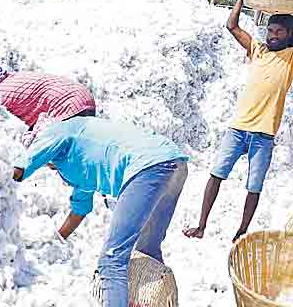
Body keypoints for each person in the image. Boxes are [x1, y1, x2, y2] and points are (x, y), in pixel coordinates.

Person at [183, 0, 293, 241]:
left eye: (279, 32)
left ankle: (242, 231)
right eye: (270, 30)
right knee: (216, 175)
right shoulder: (257, 50)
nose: (272, 35)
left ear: (290, 35)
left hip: (264, 136)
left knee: (254, 187)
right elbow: (231, 25)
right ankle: (201, 225)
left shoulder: (292, 57)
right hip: (238, 129)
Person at [11, 117, 188, 307]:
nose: (48, 165)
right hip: (172, 161)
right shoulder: (78, 155)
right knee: (147, 252)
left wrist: (0, 178)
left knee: (112, 260)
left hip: (147, 166)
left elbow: (21, 166)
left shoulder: (54, 131)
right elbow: (80, 208)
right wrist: (59, 239)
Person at [0, 60, 96, 141]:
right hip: (84, 99)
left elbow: (9, 133)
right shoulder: (16, 76)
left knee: (51, 153)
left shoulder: (0, 95)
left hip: (69, 107)